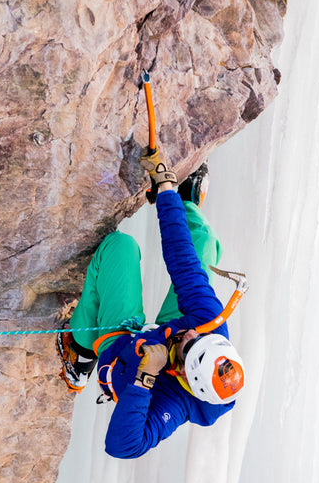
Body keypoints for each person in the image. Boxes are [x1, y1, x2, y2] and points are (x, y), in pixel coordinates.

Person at [56, 157, 245, 459]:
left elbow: (122, 446)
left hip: (125, 353)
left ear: (185, 373)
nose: (192, 333)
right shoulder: (208, 324)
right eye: (204, 339)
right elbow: (184, 264)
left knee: (120, 249)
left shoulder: (175, 404)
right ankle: (186, 203)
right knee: (203, 242)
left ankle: (81, 353)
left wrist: (144, 377)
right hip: (162, 335)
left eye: (191, 347)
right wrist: (167, 192)